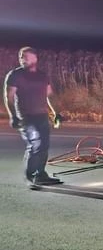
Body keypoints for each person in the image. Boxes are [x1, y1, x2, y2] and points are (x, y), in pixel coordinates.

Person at [3, 46, 63, 186]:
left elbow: (50, 96)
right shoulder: (15, 75)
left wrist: (56, 113)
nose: (22, 59)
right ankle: (32, 177)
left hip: (41, 115)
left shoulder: (42, 76)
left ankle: (40, 173)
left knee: (44, 146)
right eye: (21, 57)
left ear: (35, 58)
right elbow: (9, 97)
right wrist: (13, 116)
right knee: (36, 143)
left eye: (26, 56)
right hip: (25, 117)